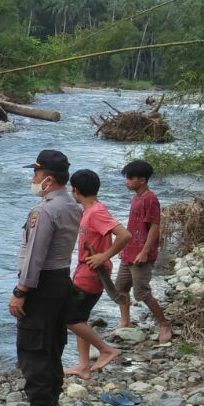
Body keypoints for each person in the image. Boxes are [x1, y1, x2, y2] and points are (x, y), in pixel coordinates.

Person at [7, 149, 82, 406]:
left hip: (42, 282)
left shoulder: (45, 210)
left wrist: (20, 291)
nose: (33, 178)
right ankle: (50, 402)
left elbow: (35, 255)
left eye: (36, 173)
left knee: (33, 343)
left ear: (48, 180)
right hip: (61, 279)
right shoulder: (73, 206)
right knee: (53, 341)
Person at [64, 169, 132, 378]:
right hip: (85, 270)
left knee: (69, 318)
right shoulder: (91, 211)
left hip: (92, 272)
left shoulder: (96, 212)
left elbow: (124, 235)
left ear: (75, 190)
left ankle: (106, 350)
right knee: (80, 318)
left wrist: (104, 256)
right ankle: (83, 366)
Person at [116, 159, 172, 343]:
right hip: (129, 251)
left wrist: (145, 252)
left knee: (142, 293)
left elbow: (155, 227)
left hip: (141, 254)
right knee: (121, 288)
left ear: (142, 180)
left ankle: (163, 324)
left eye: (130, 178)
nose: (127, 182)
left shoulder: (150, 199)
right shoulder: (136, 198)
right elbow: (133, 227)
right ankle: (125, 322)